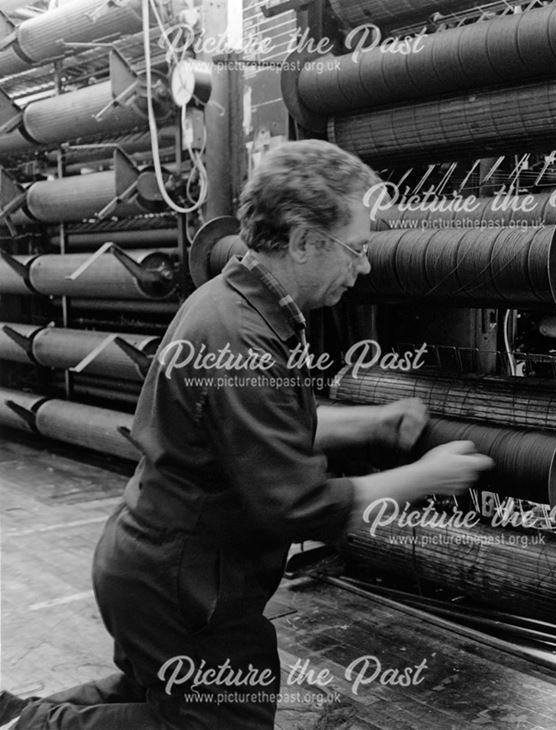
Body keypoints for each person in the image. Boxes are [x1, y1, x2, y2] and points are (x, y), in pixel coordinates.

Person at [3, 140, 493, 729]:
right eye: (356, 250)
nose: (362, 268)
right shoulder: (240, 336)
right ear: (306, 241)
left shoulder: (235, 305)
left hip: (164, 568)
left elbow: (261, 429)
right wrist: (425, 477)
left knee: (165, 694)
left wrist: (373, 421)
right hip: (183, 586)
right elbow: (297, 504)